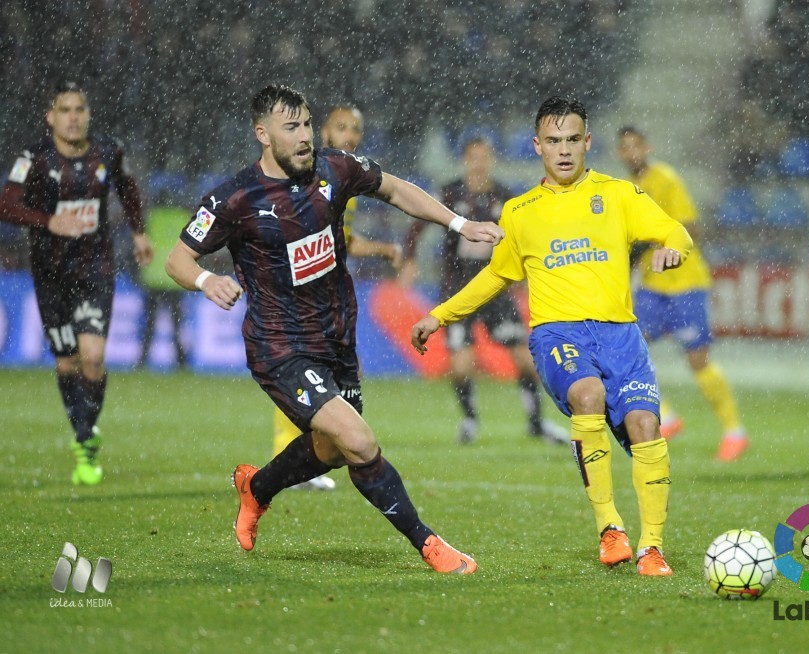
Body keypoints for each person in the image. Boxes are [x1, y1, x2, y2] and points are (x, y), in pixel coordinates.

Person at [166, 84, 502, 573]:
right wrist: (206, 279)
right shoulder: (235, 197)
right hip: (280, 347)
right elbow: (178, 259)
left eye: (307, 123)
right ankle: (429, 545)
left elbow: (394, 188)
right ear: (263, 134)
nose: (305, 135)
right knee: (359, 441)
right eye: (291, 127)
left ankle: (256, 488)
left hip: (338, 337)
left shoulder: (334, 168)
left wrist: (458, 225)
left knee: (332, 449)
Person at [411, 96, 693, 576]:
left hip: (621, 336)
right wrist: (439, 315)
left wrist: (674, 250)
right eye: (553, 141)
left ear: (587, 142)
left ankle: (651, 548)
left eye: (572, 140)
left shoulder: (619, 195)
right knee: (588, 395)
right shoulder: (521, 211)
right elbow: (495, 276)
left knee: (646, 425)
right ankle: (610, 528)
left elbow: (676, 231)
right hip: (557, 334)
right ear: (537, 145)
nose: (563, 150)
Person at [0, 80, 152, 486]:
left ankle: (84, 438)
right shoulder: (34, 157)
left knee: (94, 357)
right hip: (50, 274)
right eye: (64, 110)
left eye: (79, 109)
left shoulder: (108, 152)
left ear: (88, 115)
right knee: (67, 363)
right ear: (50, 117)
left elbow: (128, 188)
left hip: (94, 269)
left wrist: (139, 232)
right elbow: (6, 204)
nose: (73, 117)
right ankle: (84, 434)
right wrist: (48, 220)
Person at [401, 136, 568, 445]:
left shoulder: (505, 196)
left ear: (491, 159)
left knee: (524, 357)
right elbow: (417, 224)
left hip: (495, 289)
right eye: (473, 157)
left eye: (484, 157)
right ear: (464, 160)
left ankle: (536, 423)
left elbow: (525, 235)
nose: (479, 163)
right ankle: (469, 420)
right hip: (458, 290)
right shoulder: (449, 192)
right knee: (461, 364)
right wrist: (409, 259)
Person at [271, 104, 402, 491]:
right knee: (305, 370)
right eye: (341, 127)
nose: (350, 135)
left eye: (356, 129)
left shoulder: (344, 176)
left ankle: (310, 457)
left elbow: (340, 239)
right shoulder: (304, 172)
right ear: (323, 130)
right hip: (299, 291)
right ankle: (296, 460)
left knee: (332, 374)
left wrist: (381, 249)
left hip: (328, 294)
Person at [615, 126, 749, 462]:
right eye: (625, 148)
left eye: (636, 146)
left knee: (697, 360)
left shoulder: (666, 180)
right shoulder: (624, 190)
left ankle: (734, 432)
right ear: (619, 153)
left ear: (648, 148)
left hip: (685, 283)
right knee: (626, 351)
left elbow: (691, 228)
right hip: (652, 286)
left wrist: (651, 241)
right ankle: (668, 418)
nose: (632, 153)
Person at [139, 206, 189, 369]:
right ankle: (181, 362)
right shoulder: (184, 217)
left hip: (154, 280)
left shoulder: (152, 217)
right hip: (176, 280)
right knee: (177, 325)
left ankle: (142, 360)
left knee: (149, 324)